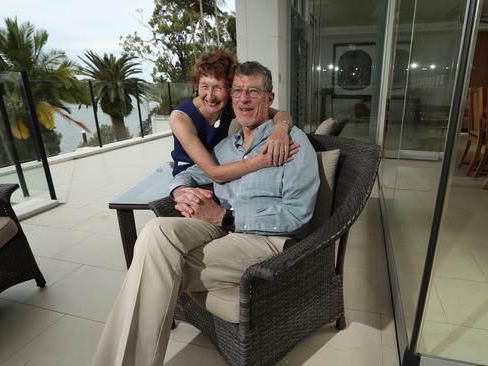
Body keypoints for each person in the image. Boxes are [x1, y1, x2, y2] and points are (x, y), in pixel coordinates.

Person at [93, 61, 320, 366]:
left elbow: (299, 215)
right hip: (221, 227)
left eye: (253, 91)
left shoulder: (292, 145)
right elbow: (190, 174)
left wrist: (226, 216)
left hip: (265, 239)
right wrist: (178, 191)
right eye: (237, 91)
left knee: (152, 266)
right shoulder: (227, 146)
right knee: (155, 232)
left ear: (269, 97)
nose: (243, 99)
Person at [170, 50, 297, 181]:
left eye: (218, 88)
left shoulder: (231, 104)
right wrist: (262, 161)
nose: (210, 96)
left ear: (230, 89)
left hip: (226, 169)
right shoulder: (181, 119)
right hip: (191, 178)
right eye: (204, 86)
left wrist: (280, 130)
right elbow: (214, 173)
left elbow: (282, 114)